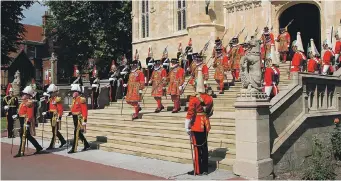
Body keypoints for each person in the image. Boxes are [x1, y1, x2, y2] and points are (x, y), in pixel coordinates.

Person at [184, 66, 213, 176]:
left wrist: (187, 125)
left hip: (197, 124)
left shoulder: (194, 99)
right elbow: (210, 111)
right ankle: (205, 169)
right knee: (205, 148)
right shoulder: (209, 98)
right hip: (206, 124)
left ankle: (197, 170)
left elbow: (190, 113)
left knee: (197, 148)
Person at [13, 86, 43, 157]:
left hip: (25, 121)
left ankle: (21, 152)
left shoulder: (29, 103)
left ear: (28, 95)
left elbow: (30, 114)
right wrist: (17, 115)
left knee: (23, 136)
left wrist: (28, 123)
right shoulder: (23, 102)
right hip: (21, 120)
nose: (23, 95)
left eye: (25, 94)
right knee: (28, 136)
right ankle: (38, 147)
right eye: (23, 94)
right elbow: (21, 112)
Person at [42, 84, 66, 149]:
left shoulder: (57, 99)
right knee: (54, 131)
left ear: (54, 92)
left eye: (51, 93)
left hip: (56, 116)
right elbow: (50, 109)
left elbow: (60, 109)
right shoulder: (50, 99)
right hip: (51, 116)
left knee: (54, 131)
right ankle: (63, 141)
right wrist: (46, 112)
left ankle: (52, 145)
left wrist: (59, 117)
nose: (50, 94)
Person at [68, 83, 90, 154]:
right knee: (79, 133)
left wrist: (85, 120)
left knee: (76, 133)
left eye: (74, 91)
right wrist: (70, 112)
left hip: (79, 118)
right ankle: (86, 144)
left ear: (77, 92)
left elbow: (84, 110)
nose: (73, 93)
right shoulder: (74, 100)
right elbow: (74, 109)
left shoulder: (81, 99)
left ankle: (74, 148)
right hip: (74, 117)